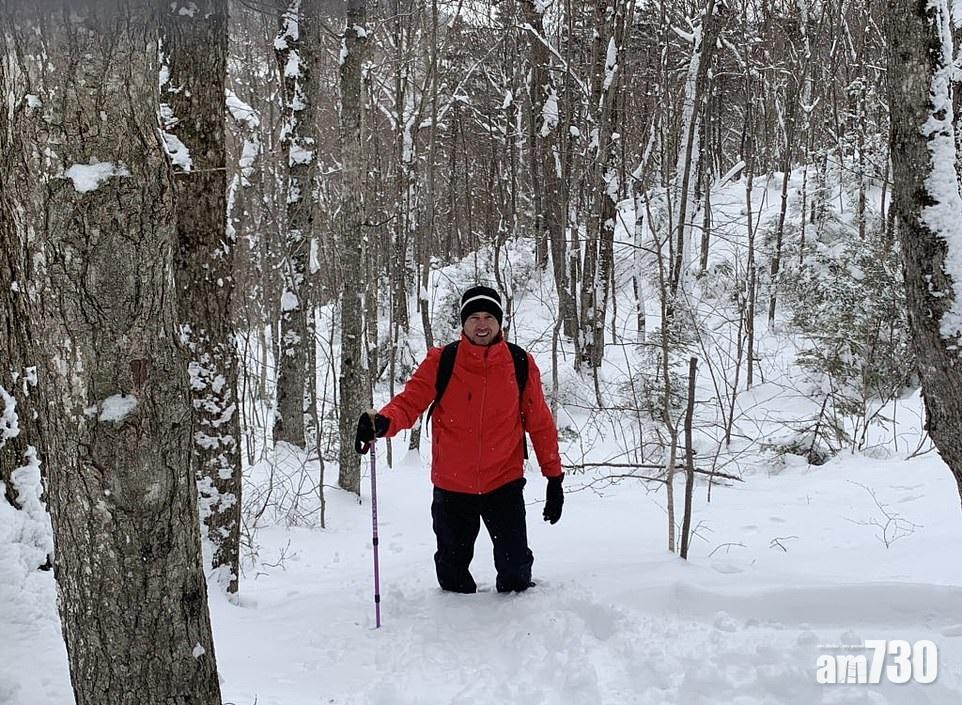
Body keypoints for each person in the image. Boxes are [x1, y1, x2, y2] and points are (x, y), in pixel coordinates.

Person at [355, 285, 564, 593]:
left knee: (516, 576)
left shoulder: (519, 362)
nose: (482, 324)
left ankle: (515, 619)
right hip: (452, 486)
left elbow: (540, 423)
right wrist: (383, 422)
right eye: (474, 318)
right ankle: (452, 622)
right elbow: (409, 402)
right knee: (452, 580)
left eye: (489, 317)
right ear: (463, 323)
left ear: (500, 322)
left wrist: (554, 478)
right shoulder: (443, 361)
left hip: (503, 482)